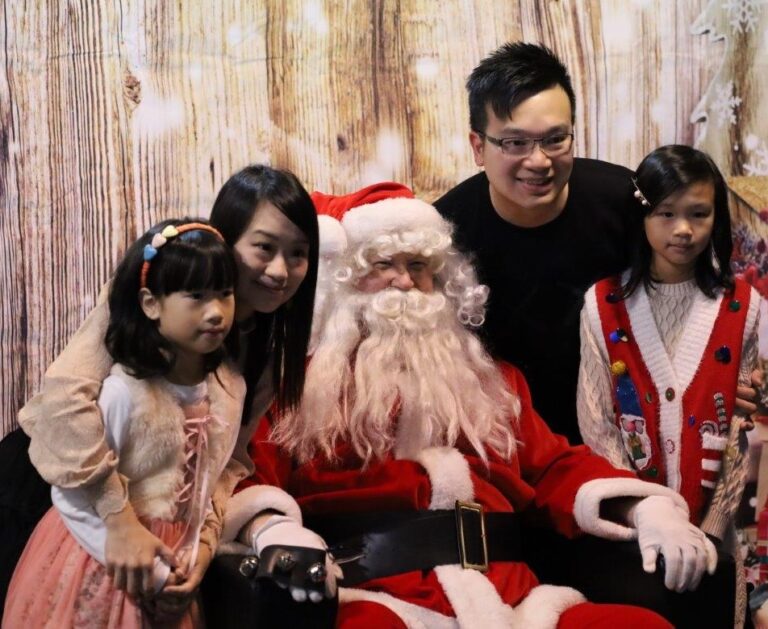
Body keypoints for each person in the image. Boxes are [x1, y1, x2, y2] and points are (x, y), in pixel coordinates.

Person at [221, 183, 722, 628]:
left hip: (514, 600)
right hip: (377, 595)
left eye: (418, 266)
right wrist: (275, 528)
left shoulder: (491, 381)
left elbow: (555, 467)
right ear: (345, 281)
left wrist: (648, 509)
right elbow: (247, 474)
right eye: (382, 265)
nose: (403, 282)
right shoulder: (299, 386)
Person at [9, 165, 320, 612]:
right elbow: (64, 396)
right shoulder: (154, 288)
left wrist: (205, 544)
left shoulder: (266, 351)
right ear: (226, 240)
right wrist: (119, 520)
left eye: (298, 254)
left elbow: (227, 459)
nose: (280, 270)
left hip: (160, 538)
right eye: (264, 247)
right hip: (67, 484)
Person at [433, 41, 760, 444]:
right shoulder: (442, 235)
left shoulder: (626, 202)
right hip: (505, 443)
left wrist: (726, 372)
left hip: (634, 437)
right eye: (515, 143)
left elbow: (693, 299)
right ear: (478, 147)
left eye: (555, 139)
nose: (539, 161)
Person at [4, 220, 244, 626]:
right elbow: (72, 493)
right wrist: (150, 574)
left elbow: (207, 486)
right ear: (151, 304)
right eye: (196, 296)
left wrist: (190, 560)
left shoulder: (228, 389)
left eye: (225, 294)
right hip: (104, 560)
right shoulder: (124, 392)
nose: (216, 311)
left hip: (174, 567)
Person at [577, 145, 759, 624]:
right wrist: (644, 516)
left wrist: (712, 530)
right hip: (631, 537)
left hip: (716, 537)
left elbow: (744, 427)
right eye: (666, 213)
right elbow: (597, 427)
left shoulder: (745, 307)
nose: (683, 229)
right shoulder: (603, 305)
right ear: (642, 215)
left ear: (716, 217)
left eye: (698, 214)